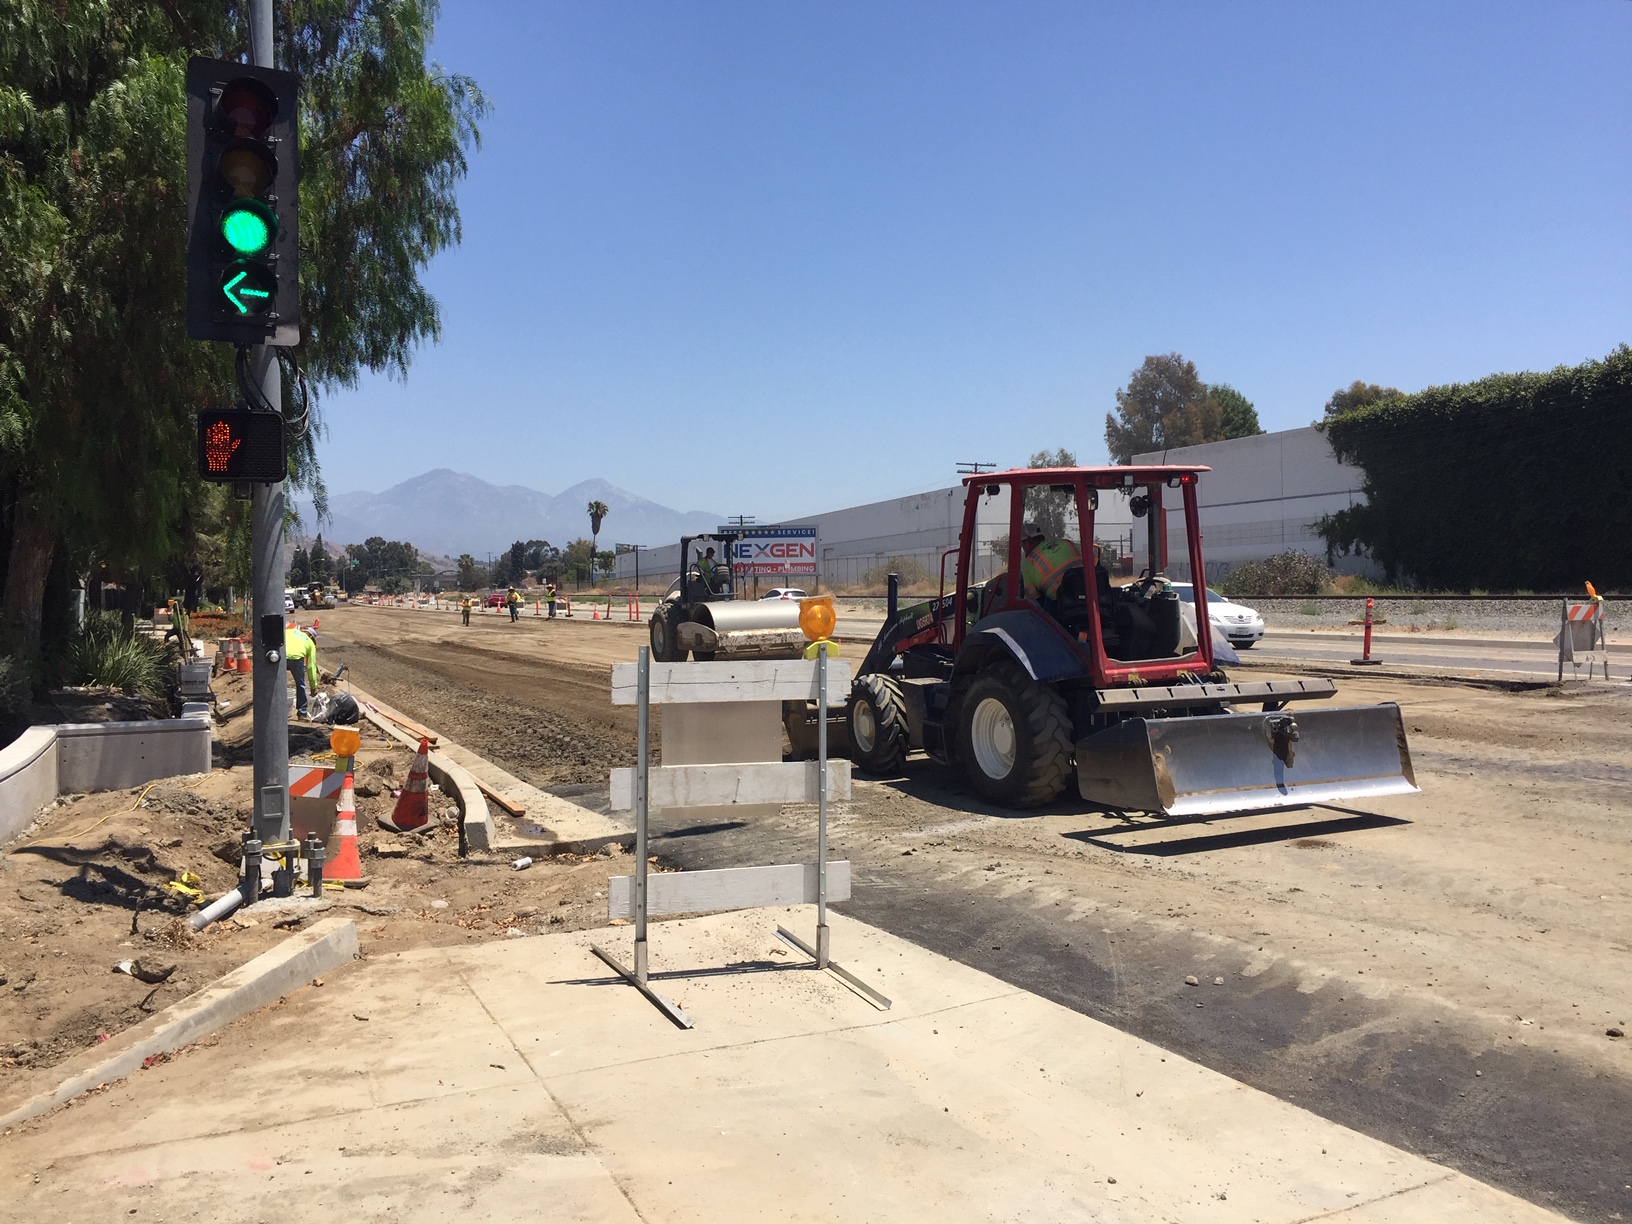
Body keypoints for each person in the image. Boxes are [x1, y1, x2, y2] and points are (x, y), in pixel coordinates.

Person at [1020, 523, 1082, 601]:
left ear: (1027, 542)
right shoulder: (1065, 543)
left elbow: (1032, 599)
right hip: (1089, 596)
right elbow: (1094, 551)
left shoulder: (1028, 563)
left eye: (1022, 545)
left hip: (1062, 605)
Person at [284, 621, 320, 720]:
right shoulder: (310, 642)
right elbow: (311, 666)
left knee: (277, 683)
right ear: (312, 637)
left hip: (280, 656)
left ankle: (276, 709)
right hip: (297, 659)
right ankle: (302, 713)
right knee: (301, 685)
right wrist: (313, 687)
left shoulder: (289, 631)